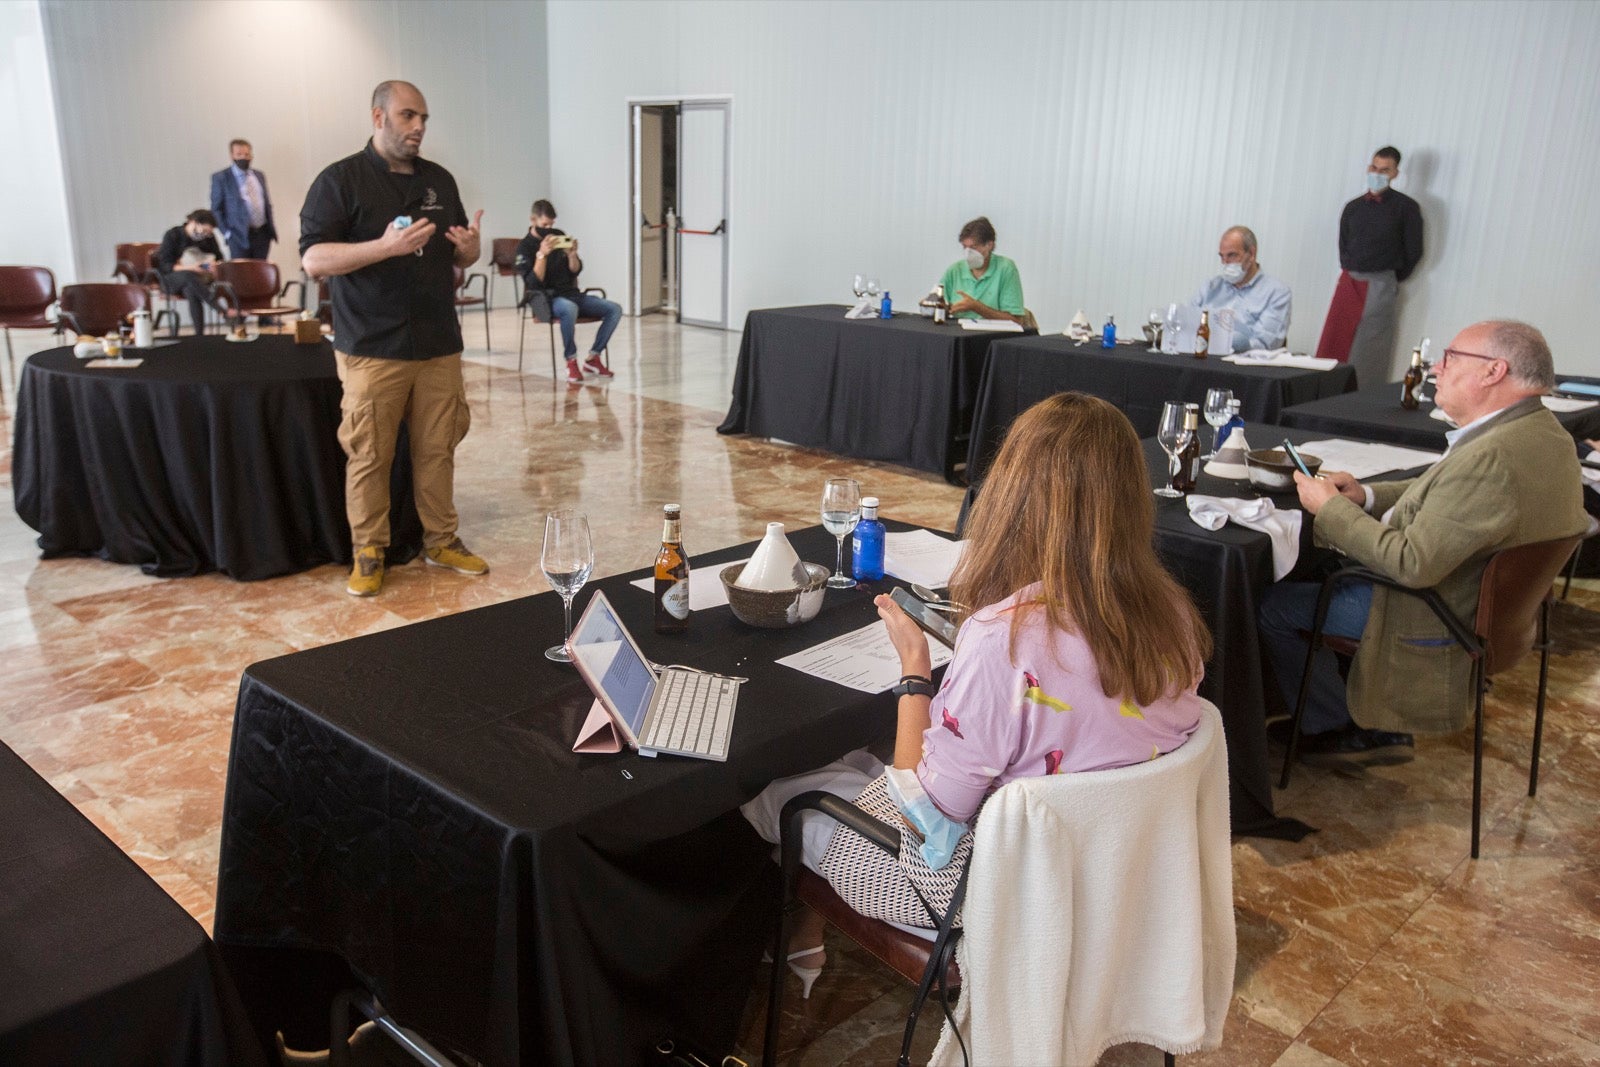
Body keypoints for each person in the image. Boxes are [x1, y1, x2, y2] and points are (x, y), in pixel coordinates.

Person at [742, 392, 1210, 994]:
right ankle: (806, 937)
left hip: (981, 894)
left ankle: (782, 948)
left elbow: (926, 818)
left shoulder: (1005, 640)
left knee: (781, 790)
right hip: (1116, 879)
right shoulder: (1174, 614)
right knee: (857, 768)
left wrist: (916, 669)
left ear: (1015, 497)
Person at [1260, 320, 1587, 758]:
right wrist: (1367, 495)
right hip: (1489, 611)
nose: (1436, 368)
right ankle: (1356, 711)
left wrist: (1331, 509)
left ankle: (1341, 726)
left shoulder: (1491, 456)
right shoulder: (1541, 433)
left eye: (1451, 357)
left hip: (1429, 612)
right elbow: (1445, 495)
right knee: (1324, 568)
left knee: (1271, 605)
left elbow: (1410, 563)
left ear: (1493, 371)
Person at [300, 79, 489, 597]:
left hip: (437, 343)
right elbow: (314, 259)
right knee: (370, 454)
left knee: (438, 448)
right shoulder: (339, 181)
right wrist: (382, 247)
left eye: (424, 118)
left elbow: (458, 255)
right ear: (378, 117)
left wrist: (470, 250)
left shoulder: (439, 180)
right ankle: (368, 550)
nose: (419, 128)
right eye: (408, 116)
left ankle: (442, 540)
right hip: (371, 346)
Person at [1324, 146, 1424, 385]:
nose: (1378, 173)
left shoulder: (1406, 208)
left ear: (1395, 173)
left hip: (1380, 281)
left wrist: (1389, 277)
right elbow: (1343, 244)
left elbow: (1413, 251)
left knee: (1368, 350)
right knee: (1335, 344)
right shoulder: (1354, 207)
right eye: (1374, 168)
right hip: (1349, 280)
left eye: (1384, 170)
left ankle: (1360, 399)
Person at [514, 199, 621, 384]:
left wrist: (572, 255)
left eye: (551, 224)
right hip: (544, 300)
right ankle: (570, 360)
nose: (549, 229)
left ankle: (593, 358)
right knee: (569, 308)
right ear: (533, 220)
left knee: (614, 309)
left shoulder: (559, 236)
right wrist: (542, 255)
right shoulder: (524, 247)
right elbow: (532, 282)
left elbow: (575, 270)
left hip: (571, 294)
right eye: (544, 224)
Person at [1190, 225, 1292, 352]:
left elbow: (1265, 344)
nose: (1225, 262)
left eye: (1232, 255)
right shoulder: (1210, 287)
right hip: (1203, 360)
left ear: (1252, 254)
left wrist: (1232, 342)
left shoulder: (1277, 292)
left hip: (1244, 366)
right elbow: (1187, 324)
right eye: (1222, 256)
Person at [155, 209, 239, 334]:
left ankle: (199, 335)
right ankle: (221, 310)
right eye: (204, 231)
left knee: (190, 289)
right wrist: (191, 268)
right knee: (188, 276)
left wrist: (214, 266)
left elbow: (219, 258)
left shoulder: (208, 238)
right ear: (193, 222)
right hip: (170, 280)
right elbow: (165, 266)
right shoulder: (173, 235)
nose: (205, 235)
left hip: (197, 280)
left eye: (208, 233)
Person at [937, 216, 1026, 325]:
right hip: (957, 334)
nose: (968, 252)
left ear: (989, 245)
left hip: (990, 337)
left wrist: (976, 307)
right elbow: (939, 304)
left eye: (973, 247)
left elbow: (1016, 320)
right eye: (965, 247)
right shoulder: (955, 270)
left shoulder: (1006, 268)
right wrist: (930, 305)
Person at [209, 139, 277, 260]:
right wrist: (227, 233)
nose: (243, 158)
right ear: (232, 155)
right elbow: (216, 209)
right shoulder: (221, 178)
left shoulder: (258, 175)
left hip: (262, 233)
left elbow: (266, 202)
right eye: (239, 154)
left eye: (246, 154)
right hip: (238, 235)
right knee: (242, 272)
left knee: (261, 271)